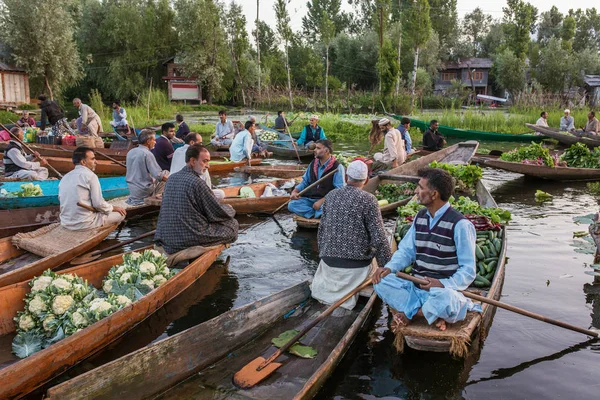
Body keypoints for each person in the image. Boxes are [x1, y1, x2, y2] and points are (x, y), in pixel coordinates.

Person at [372, 167, 480, 332]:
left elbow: (468, 270)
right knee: (381, 281)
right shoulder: (420, 217)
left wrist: (442, 284)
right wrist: (389, 267)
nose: (416, 191)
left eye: (421, 187)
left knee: (447, 300)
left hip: (441, 291)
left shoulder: (460, 225)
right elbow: (406, 251)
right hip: (416, 287)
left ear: (434, 194)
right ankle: (428, 312)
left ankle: (412, 312)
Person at [311, 160, 392, 310]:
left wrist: (324, 254)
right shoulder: (369, 200)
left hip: (328, 262)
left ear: (347, 177)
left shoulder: (330, 196)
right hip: (355, 269)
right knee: (380, 250)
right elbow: (379, 238)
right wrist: (388, 268)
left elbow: (321, 231)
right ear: (366, 180)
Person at [154, 144, 238, 255]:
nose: (208, 166)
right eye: (205, 161)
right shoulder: (197, 183)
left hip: (165, 236)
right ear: (193, 161)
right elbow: (216, 212)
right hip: (187, 237)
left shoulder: (171, 178)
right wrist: (229, 209)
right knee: (232, 225)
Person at [58, 147, 126, 230]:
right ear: (83, 162)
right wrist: (114, 208)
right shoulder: (91, 176)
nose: (96, 162)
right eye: (93, 159)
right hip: (85, 223)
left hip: (66, 222)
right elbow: (98, 204)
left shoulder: (65, 177)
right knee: (121, 214)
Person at [288, 139, 345, 219]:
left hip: (327, 201)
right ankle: (315, 214)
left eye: (318, 148)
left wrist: (322, 201)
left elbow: (339, 190)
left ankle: (318, 213)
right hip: (311, 200)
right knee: (292, 205)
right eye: (315, 148)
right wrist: (295, 191)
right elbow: (305, 182)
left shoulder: (337, 167)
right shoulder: (313, 164)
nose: (315, 150)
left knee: (329, 208)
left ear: (326, 151)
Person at [170, 132, 225, 200]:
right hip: (188, 191)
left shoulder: (177, 151)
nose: (201, 145)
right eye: (200, 143)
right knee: (220, 193)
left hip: (172, 187)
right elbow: (205, 180)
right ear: (192, 142)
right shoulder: (196, 154)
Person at [125, 129, 169, 205]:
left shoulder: (130, 152)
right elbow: (159, 175)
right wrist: (174, 182)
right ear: (148, 141)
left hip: (133, 189)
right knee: (166, 173)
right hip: (144, 191)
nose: (155, 142)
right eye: (154, 140)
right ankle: (156, 198)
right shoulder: (147, 154)